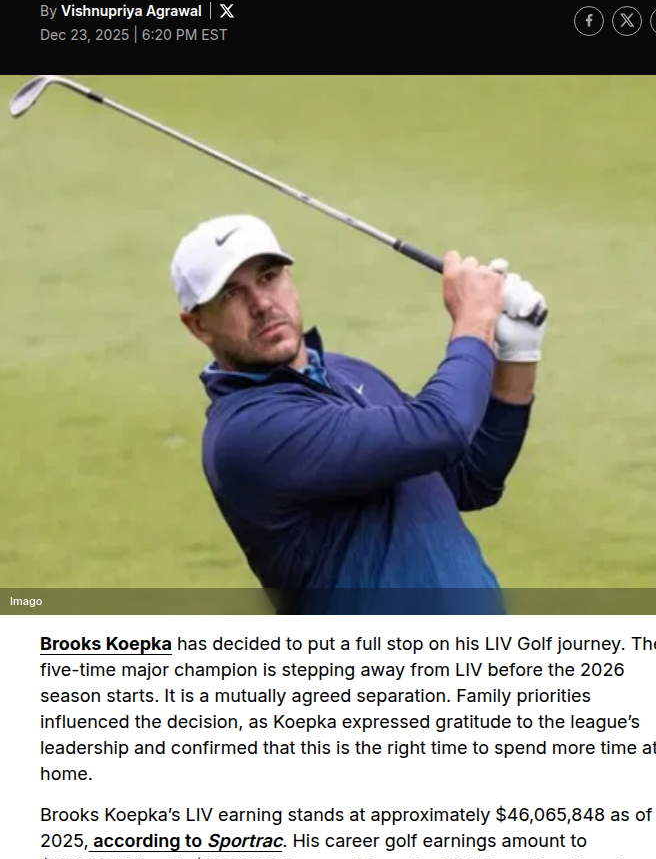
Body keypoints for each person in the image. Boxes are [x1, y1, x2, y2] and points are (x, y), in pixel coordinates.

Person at [171, 214, 547, 613]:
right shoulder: (249, 431)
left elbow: (471, 478)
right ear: (198, 325)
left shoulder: (347, 372)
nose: (262, 304)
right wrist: (475, 320)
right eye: (231, 294)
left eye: (269, 277)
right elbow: (442, 428)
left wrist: (518, 354)